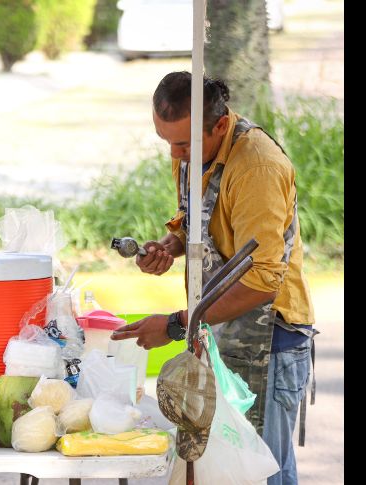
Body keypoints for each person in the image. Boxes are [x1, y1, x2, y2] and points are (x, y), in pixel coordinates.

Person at [111, 71, 316, 484]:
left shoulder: (257, 167)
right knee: (233, 467)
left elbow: (260, 281)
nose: (176, 153)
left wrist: (174, 325)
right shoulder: (191, 150)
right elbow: (198, 219)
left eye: (184, 143)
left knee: (262, 471)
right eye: (166, 141)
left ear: (220, 125)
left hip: (271, 339)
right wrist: (170, 246)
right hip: (223, 329)